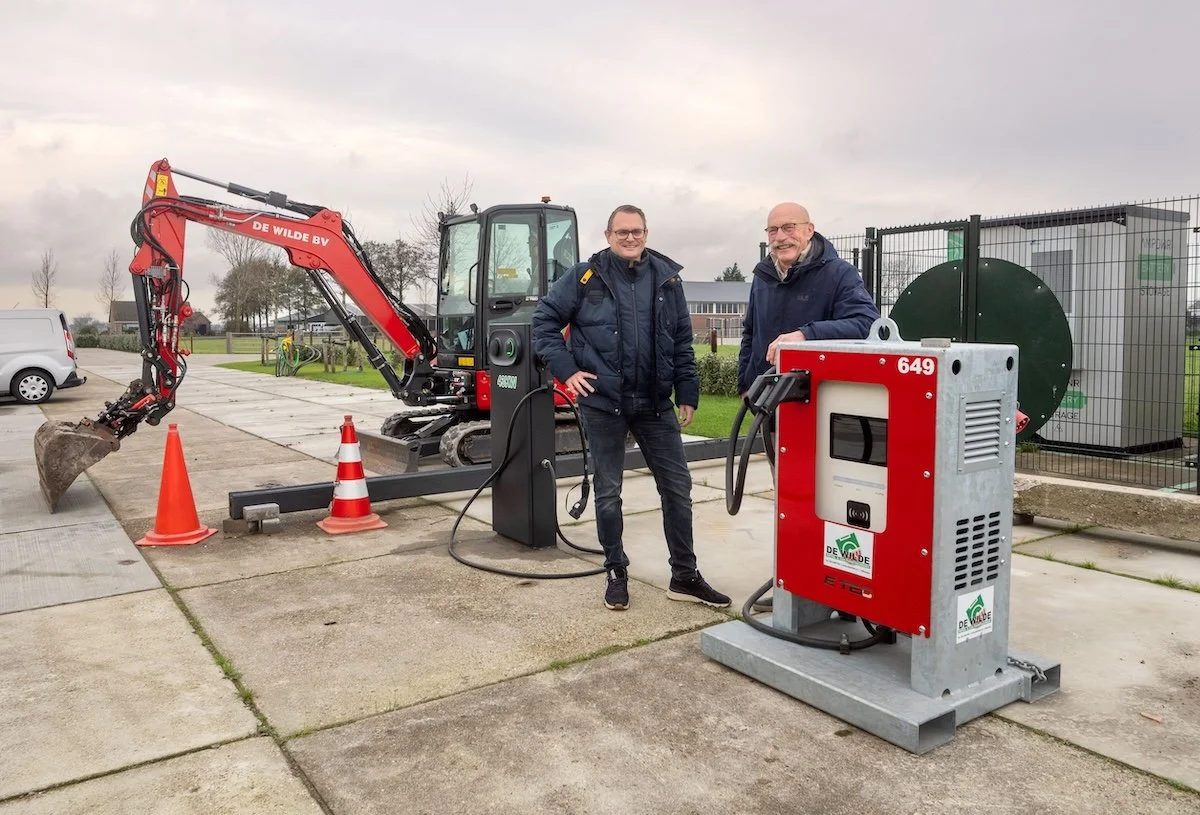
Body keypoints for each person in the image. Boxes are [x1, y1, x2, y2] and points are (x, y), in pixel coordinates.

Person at [532, 204, 731, 611]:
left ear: (646, 233)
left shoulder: (667, 280)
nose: (630, 237)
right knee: (609, 492)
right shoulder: (585, 277)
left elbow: (680, 341)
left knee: (678, 490)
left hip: (656, 404)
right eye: (621, 231)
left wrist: (688, 391)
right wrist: (567, 371)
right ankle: (615, 570)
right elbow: (544, 322)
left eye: (636, 231)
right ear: (608, 235)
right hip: (605, 404)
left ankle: (684, 574)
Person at [738, 202, 880, 611]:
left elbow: (865, 324)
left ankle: (836, 588)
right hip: (775, 408)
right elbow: (752, 331)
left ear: (810, 229)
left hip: (823, 413)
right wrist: (746, 384)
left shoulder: (838, 274)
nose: (780, 237)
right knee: (790, 502)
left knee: (830, 502)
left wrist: (806, 335)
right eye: (772, 230)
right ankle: (795, 587)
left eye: (789, 228)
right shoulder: (763, 277)